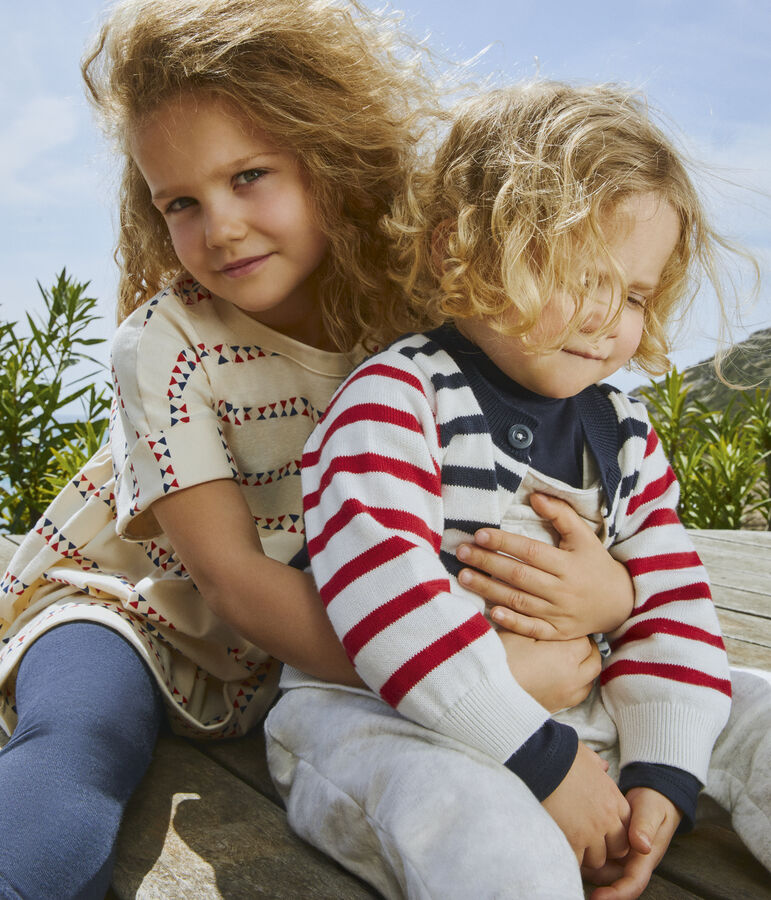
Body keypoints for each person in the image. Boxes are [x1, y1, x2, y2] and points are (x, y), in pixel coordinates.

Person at [265, 82, 771, 900]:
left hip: (579, 703)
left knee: (750, 712)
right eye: (580, 274)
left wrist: (664, 770)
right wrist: (542, 761)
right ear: (459, 249)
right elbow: (389, 605)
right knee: (481, 828)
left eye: (636, 295)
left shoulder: (621, 429)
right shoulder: (394, 401)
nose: (609, 318)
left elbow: (673, 605)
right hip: (391, 718)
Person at [0, 1, 445, 896]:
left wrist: (604, 583)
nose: (221, 227)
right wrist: (442, 675)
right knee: (80, 739)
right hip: (140, 610)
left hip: (313, 653)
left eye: (249, 176)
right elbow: (230, 582)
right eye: (181, 203)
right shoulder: (164, 347)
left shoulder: (420, 317)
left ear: (332, 157)